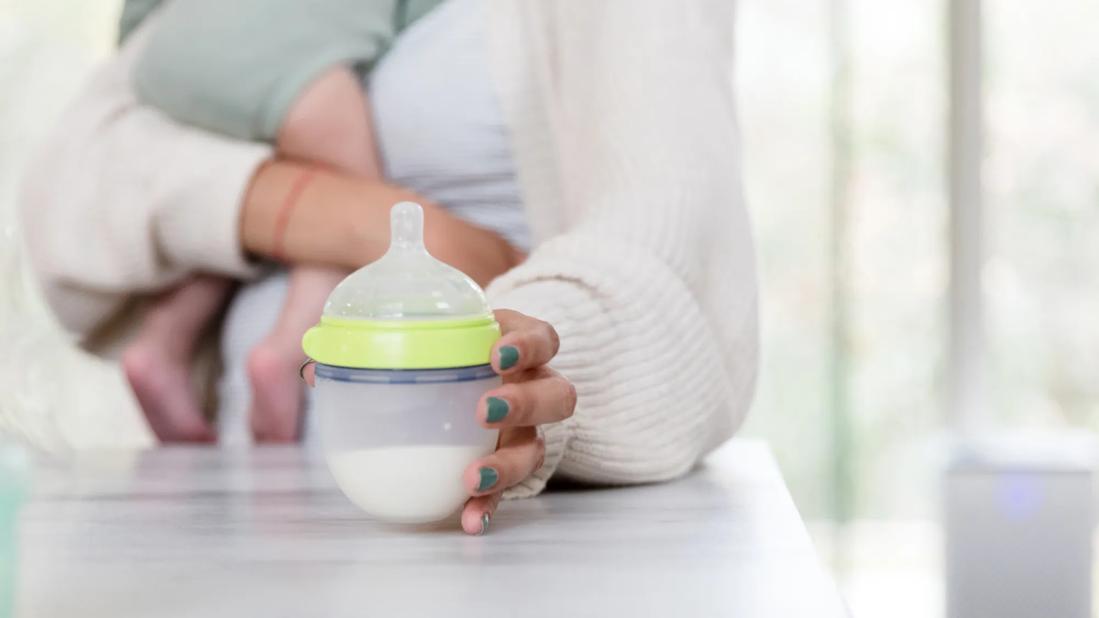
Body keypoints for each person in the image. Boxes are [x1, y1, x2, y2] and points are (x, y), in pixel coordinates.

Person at [21, 0, 758, 535]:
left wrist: (534, 352)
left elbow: (672, 258)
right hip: (256, 509)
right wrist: (382, 224)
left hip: (503, 526)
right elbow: (68, 193)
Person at [121, 0, 442, 443]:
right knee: (345, 198)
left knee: (233, 204)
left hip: (170, 48)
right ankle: (288, 348)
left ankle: (161, 344)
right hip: (286, 51)